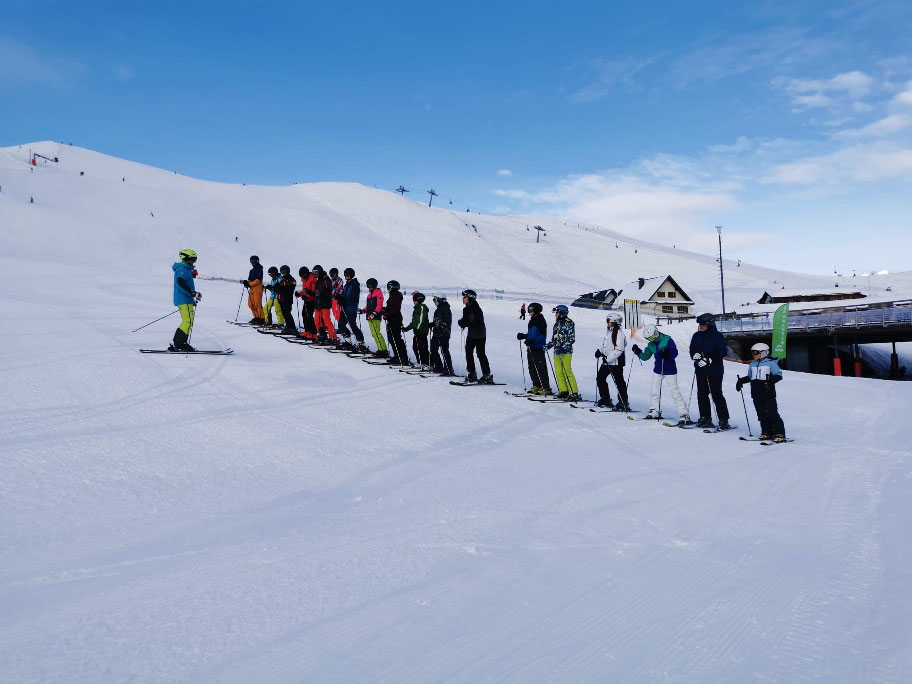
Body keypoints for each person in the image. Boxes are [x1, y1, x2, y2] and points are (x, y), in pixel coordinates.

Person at [631, 324, 690, 423]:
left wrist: (667, 354)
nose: (651, 340)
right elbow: (645, 357)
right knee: (654, 391)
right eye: (649, 338)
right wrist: (638, 352)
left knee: (675, 392)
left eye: (651, 337)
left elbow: (674, 353)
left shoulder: (667, 340)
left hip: (670, 370)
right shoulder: (651, 344)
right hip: (658, 370)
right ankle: (655, 410)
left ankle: (684, 414)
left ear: (656, 333)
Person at [736, 343, 786, 442]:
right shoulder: (752, 364)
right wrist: (741, 381)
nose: (753, 355)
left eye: (756, 353)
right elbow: (750, 377)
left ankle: (779, 432)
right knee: (761, 413)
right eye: (752, 353)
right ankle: (766, 431)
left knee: (772, 412)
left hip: (768, 391)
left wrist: (771, 381)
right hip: (756, 392)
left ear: (764, 353)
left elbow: (779, 375)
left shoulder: (771, 363)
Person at [689, 312, 731, 429]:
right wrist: (695, 356)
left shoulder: (717, 336)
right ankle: (705, 417)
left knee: (716, 393)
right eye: (699, 324)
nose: (700, 326)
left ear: (710, 324)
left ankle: (724, 419)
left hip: (715, 370)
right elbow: (692, 349)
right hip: (700, 369)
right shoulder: (696, 336)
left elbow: (722, 352)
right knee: (702, 394)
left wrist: (710, 358)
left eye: (703, 324)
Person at [457, 289, 494, 383]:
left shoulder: (475, 308)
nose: (463, 299)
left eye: (465, 297)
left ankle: (487, 375)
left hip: (479, 335)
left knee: (480, 354)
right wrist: (463, 322)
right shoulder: (467, 308)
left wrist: (463, 322)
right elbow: (467, 320)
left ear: (470, 298)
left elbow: (473, 322)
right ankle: (472, 372)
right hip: (472, 334)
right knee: (468, 353)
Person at [595, 311, 630, 410]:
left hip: (616, 362)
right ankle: (605, 398)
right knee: (600, 379)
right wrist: (600, 352)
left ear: (614, 322)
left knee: (619, 382)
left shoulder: (620, 334)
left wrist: (608, 358)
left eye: (609, 321)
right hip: (607, 362)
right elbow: (605, 346)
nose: (607, 323)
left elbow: (619, 349)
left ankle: (623, 402)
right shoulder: (609, 333)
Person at [547, 305, 581, 401]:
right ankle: (564, 391)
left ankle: (573, 392)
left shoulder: (569, 323)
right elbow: (554, 338)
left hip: (566, 352)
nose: (555, 315)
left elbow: (571, 339)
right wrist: (549, 345)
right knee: (558, 371)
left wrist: (563, 347)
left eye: (557, 313)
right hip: (556, 351)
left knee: (567, 371)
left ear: (562, 313)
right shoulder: (556, 324)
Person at [517, 302, 551, 395]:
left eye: (531, 310)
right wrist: (524, 336)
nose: (529, 312)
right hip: (531, 347)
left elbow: (541, 336)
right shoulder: (532, 320)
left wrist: (533, 341)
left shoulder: (541, 321)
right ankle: (537, 385)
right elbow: (531, 334)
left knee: (541, 368)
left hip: (538, 348)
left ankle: (546, 388)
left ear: (536, 310)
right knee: (531, 367)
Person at [170, 248, 201, 351]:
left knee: (189, 321)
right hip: (184, 299)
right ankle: (179, 343)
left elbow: (184, 279)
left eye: (195, 259)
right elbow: (180, 281)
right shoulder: (182, 269)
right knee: (187, 321)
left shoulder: (185, 269)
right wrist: (192, 293)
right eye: (192, 259)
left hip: (186, 300)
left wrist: (191, 275)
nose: (193, 261)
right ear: (186, 258)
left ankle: (181, 342)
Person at [336, 267, 366, 351]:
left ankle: (361, 343)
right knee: (341, 325)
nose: (346, 276)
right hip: (345, 308)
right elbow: (345, 296)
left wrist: (343, 300)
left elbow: (353, 297)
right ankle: (348, 342)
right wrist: (340, 298)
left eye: (348, 274)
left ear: (352, 275)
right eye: (345, 274)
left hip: (351, 308)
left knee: (353, 326)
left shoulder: (354, 284)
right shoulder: (347, 284)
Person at [383, 280, 410, 365]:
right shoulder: (393, 295)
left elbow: (396, 308)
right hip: (392, 319)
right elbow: (390, 307)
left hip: (395, 320)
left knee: (396, 339)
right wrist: (384, 310)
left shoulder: (397, 295)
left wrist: (387, 314)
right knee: (392, 339)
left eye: (389, 287)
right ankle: (397, 356)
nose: (388, 289)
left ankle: (402, 357)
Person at [361, 277, 388, 358]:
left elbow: (380, 305)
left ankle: (383, 350)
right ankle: (380, 349)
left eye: (370, 286)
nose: (369, 288)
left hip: (375, 317)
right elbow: (367, 307)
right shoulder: (369, 296)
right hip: (370, 317)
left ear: (374, 286)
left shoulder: (378, 293)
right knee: (374, 334)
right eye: (368, 286)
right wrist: (362, 311)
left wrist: (374, 313)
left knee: (377, 333)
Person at [310, 265, 337, 344]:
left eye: (316, 272)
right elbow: (316, 292)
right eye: (314, 273)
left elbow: (329, 293)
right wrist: (309, 292)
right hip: (318, 304)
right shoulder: (318, 280)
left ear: (320, 272)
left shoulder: (326, 280)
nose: (315, 274)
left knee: (327, 321)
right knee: (317, 321)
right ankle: (322, 335)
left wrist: (320, 294)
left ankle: (333, 337)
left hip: (325, 304)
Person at [403, 291, 431, 368]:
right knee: (416, 347)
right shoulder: (417, 308)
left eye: (414, 300)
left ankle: (429, 363)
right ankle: (420, 362)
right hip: (417, 331)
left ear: (418, 300)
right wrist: (407, 328)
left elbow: (421, 320)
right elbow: (414, 322)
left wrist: (418, 329)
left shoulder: (422, 307)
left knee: (422, 348)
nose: (413, 302)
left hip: (422, 331)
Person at [430, 295, 455, 376]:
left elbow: (446, 322)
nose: (434, 301)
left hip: (443, 333)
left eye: (435, 300)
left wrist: (439, 327)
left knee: (444, 351)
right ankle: (439, 366)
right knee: (433, 349)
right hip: (437, 332)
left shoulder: (446, 309)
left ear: (440, 300)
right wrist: (432, 324)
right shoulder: (439, 309)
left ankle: (448, 369)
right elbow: (437, 320)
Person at [295, 266, 318, 339]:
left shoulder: (312, 279)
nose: (302, 277)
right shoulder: (305, 280)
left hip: (312, 301)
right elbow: (305, 290)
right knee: (304, 315)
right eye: (301, 276)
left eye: (303, 275)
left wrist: (307, 296)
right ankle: (307, 331)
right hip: (307, 300)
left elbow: (313, 292)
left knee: (309, 316)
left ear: (307, 273)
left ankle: (313, 333)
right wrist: (299, 294)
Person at [240, 255, 265, 324]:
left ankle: (261, 318)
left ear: (257, 261)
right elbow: (250, 280)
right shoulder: (252, 271)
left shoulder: (260, 269)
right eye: (252, 262)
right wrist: (246, 282)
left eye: (254, 261)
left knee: (257, 304)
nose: (253, 263)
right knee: (251, 304)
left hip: (257, 289)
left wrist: (249, 284)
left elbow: (258, 280)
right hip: (252, 290)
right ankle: (256, 317)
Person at [275, 265, 297, 335]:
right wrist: (275, 287)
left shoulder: (291, 279)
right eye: (282, 272)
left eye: (284, 272)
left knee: (287, 313)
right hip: (281, 299)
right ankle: (288, 326)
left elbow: (290, 289)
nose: (283, 273)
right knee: (284, 314)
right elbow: (280, 289)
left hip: (287, 299)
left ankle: (292, 327)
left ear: (287, 271)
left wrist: (281, 287)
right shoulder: (282, 279)